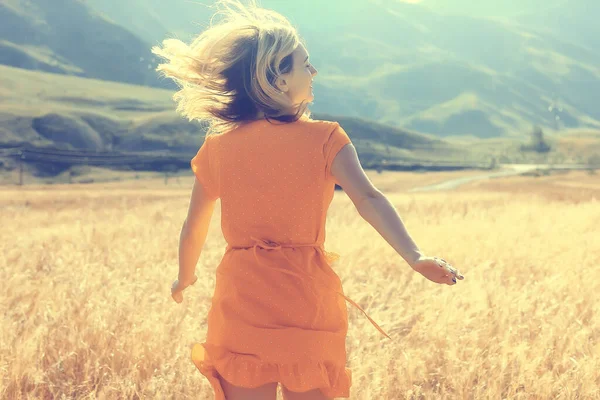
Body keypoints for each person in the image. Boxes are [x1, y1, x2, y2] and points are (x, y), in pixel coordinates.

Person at [154, 1, 464, 399]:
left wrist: (186, 274)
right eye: (305, 64)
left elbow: (194, 223)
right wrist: (414, 255)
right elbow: (368, 198)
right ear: (279, 81)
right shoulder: (326, 139)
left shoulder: (218, 148)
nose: (313, 71)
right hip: (306, 296)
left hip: (242, 296)